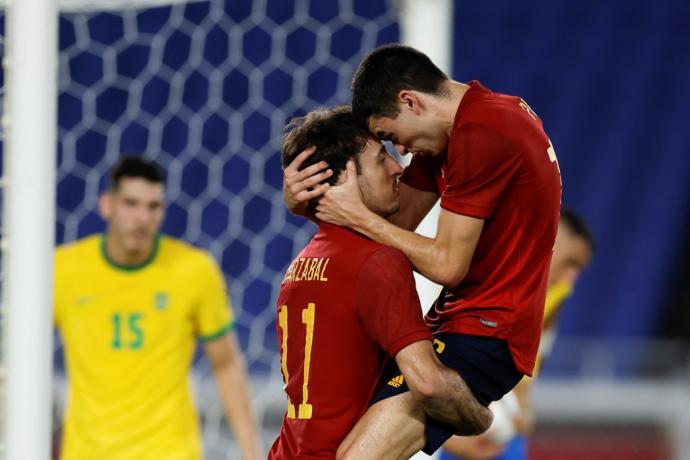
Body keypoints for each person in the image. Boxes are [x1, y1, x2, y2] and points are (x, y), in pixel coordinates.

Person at [283, 43, 562, 457]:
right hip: (454, 324)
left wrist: (358, 216)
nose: (401, 155)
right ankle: (483, 419)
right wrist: (307, 205)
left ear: (409, 101)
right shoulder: (459, 129)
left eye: (390, 137)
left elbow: (447, 265)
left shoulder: (483, 132)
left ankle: (485, 418)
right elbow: (391, 227)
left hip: (486, 332)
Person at [269, 106, 492, 459]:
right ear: (342, 179)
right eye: (379, 159)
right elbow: (428, 383)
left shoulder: (301, 265)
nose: (397, 167)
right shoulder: (377, 262)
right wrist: (479, 418)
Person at [54, 157, 262, 460]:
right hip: (88, 452)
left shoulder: (194, 270)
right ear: (106, 205)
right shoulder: (63, 270)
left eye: (153, 207)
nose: (142, 217)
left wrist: (251, 451)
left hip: (169, 451)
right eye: (131, 203)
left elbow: (227, 364)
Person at [439, 209, 595, 460]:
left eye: (579, 270)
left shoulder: (554, 299)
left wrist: (523, 413)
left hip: (494, 431)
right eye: (570, 263)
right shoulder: (480, 276)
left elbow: (528, 377)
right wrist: (450, 441)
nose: (571, 278)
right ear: (549, 244)